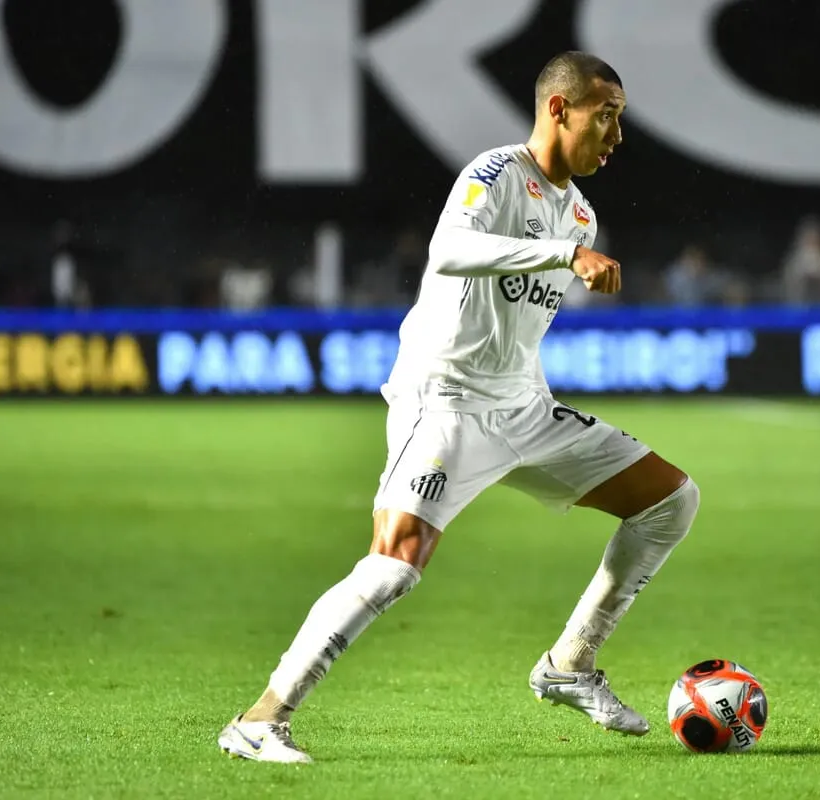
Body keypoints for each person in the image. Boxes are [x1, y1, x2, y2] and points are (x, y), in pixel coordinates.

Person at [217, 51, 701, 764]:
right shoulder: (497, 172)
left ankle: (570, 663)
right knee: (395, 564)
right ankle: (260, 720)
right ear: (559, 109)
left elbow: (514, 324)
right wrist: (564, 257)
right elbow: (448, 250)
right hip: (447, 402)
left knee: (671, 501)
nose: (617, 135)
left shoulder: (580, 214)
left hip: (524, 409)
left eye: (619, 119)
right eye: (606, 116)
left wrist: (564, 263)